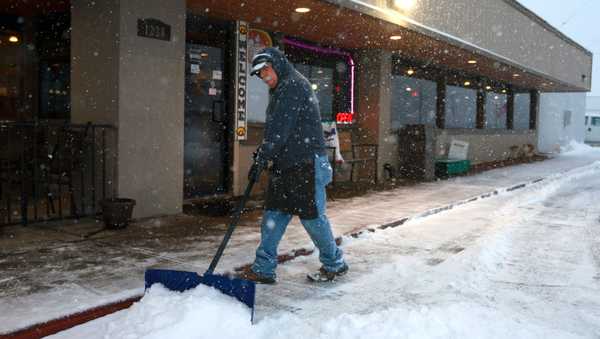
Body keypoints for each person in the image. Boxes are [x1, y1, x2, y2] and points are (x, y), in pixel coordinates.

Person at [237, 47, 348, 284]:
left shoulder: (293, 86)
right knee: (274, 216)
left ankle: (334, 263)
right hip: (286, 164)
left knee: (312, 219)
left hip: (305, 162)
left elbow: (280, 129)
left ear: (276, 64)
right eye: (260, 74)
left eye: (266, 70)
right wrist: (264, 155)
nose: (264, 76)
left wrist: (263, 156)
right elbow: (277, 130)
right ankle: (263, 268)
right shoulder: (282, 88)